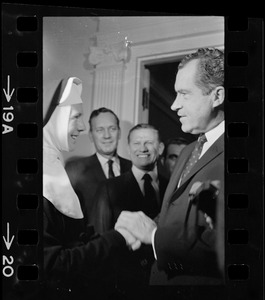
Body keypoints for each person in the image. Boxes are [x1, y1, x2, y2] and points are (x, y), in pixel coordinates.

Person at [115, 47, 225, 287]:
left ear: (217, 96)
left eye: (184, 94)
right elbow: (173, 213)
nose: (174, 105)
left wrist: (154, 236)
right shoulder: (189, 150)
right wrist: (139, 224)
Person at [42, 76, 139, 300]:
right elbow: (53, 263)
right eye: (75, 117)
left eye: (112, 129)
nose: (81, 126)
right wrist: (115, 238)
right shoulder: (67, 170)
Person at [91, 123, 169, 298]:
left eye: (149, 142)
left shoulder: (172, 187)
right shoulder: (108, 188)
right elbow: (100, 239)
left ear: (161, 147)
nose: (142, 148)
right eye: (136, 143)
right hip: (123, 286)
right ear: (128, 148)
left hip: (163, 282)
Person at [65, 107, 132, 224]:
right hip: (91, 241)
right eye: (100, 130)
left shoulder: (133, 168)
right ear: (91, 135)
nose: (107, 136)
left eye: (112, 129)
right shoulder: (75, 169)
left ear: (119, 133)